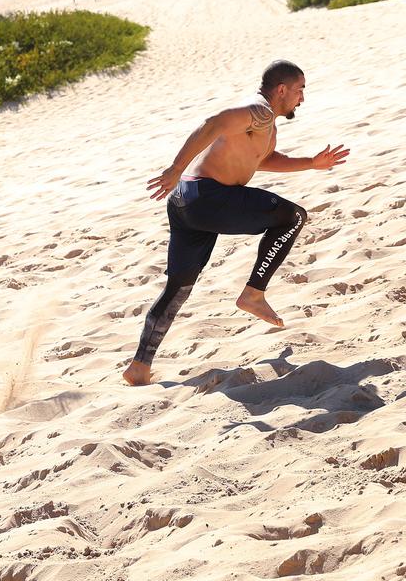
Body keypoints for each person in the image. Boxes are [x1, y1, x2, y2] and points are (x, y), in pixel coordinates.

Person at [122, 61, 349, 386]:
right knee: (293, 217)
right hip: (206, 196)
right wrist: (175, 166)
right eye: (300, 90)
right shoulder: (260, 111)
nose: (302, 99)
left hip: (187, 202)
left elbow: (265, 160)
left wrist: (312, 163)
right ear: (281, 89)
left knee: (178, 288)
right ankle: (253, 295)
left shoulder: (265, 127)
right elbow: (214, 123)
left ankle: (139, 367)